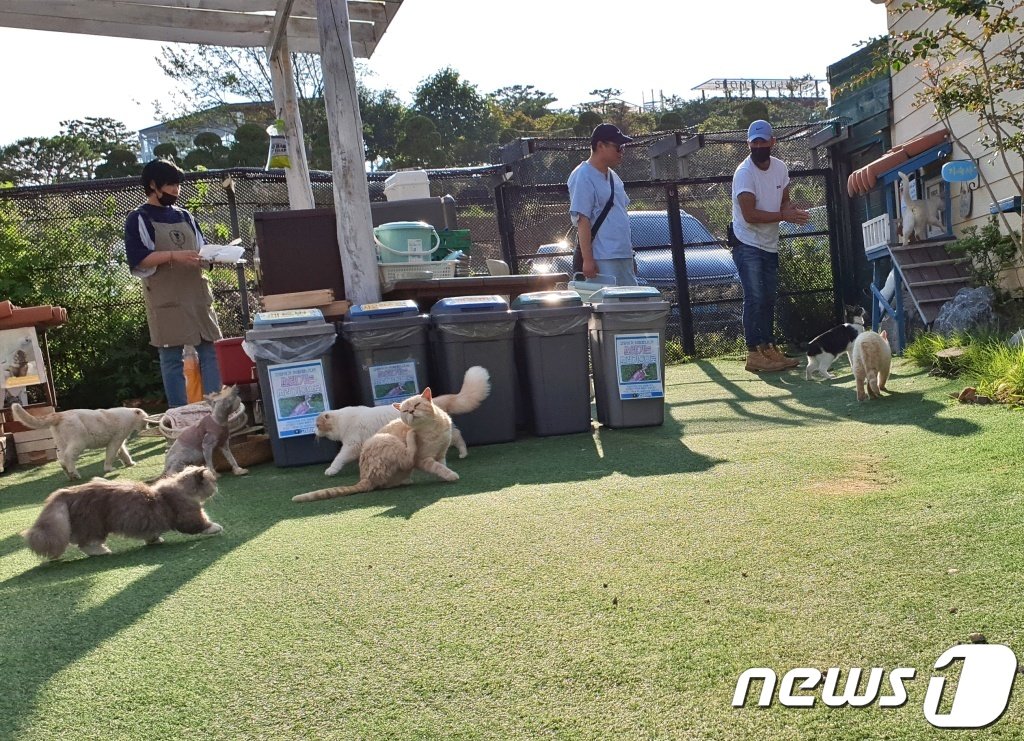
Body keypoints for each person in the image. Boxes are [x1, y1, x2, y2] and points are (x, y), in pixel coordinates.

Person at [125, 159, 223, 408]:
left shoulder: (186, 216)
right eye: (170, 185)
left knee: (209, 350)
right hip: (165, 296)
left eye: (178, 185)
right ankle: (181, 412)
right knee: (171, 356)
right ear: (153, 185)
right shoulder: (138, 218)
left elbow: (201, 248)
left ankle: (214, 408)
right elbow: (139, 259)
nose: (176, 190)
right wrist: (173, 256)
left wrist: (212, 257)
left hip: (197, 292)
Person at [731, 120, 810, 373]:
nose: (758, 146)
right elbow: (749, 215)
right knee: (755, 298)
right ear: (748, 143)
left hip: (769, 244)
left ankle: (769, 348)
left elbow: (784, 201)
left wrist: (792, 212)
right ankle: (754, 353)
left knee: (768, 298)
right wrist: (784, 216)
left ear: (772, 142)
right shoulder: (744, 173)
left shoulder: (780, 168)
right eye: (754, 142)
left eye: (762, 141)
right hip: (747, 243)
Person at [568, 123, 636, 286]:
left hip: (623, 254)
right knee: (607, 306)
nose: (622, 152)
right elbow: (582, 220)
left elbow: (620, 215)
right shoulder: (583, 175)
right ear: (600, 145)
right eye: (618, 147)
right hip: (602, 257)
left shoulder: (614, 177)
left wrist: (630, 254)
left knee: (631, 305)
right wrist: (588, 260)